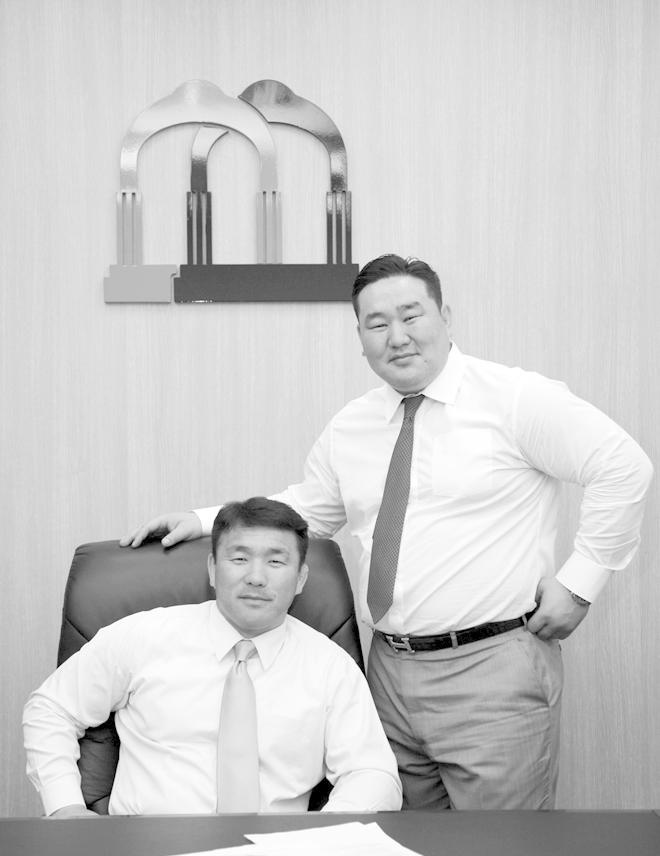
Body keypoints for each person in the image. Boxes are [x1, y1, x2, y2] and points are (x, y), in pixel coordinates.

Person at [120, 254, 653, 810]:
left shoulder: (514, 398)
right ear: (361, 338)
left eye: (411, 315)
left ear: (445, 316)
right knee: (400, 849)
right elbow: (309, 510)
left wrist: (580, 584)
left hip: (492, 667)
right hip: (387, 672)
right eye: (376, 324)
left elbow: (622, 466)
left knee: (500, 855)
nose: (397, 337)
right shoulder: (353, 425)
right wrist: (204, 520)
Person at [24, 497, 402, 817]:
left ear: (301, 578)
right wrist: (65, 807)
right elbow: (51, 708)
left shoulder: (329, 666)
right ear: (212, 569)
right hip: (148, 850)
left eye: (275, 562)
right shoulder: (143, 636)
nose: (256, 577)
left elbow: (373, 773)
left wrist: (321, 836)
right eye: (239, 558)